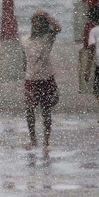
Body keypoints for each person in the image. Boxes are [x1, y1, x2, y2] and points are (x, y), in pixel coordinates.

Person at [21, 10, 61, 151]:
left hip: (46, 78)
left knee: (46, 111)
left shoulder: (48, 38)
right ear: (32, 24)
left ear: (44, 24)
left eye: (40, 21)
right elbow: (24, 59)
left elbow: (58, 28)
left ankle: (46, 141)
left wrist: (47, 17)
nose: (37, 24)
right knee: (29, 110)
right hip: (31, 79)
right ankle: (33, 140)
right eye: (35, 21)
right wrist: (24, 74)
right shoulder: (25, 40)